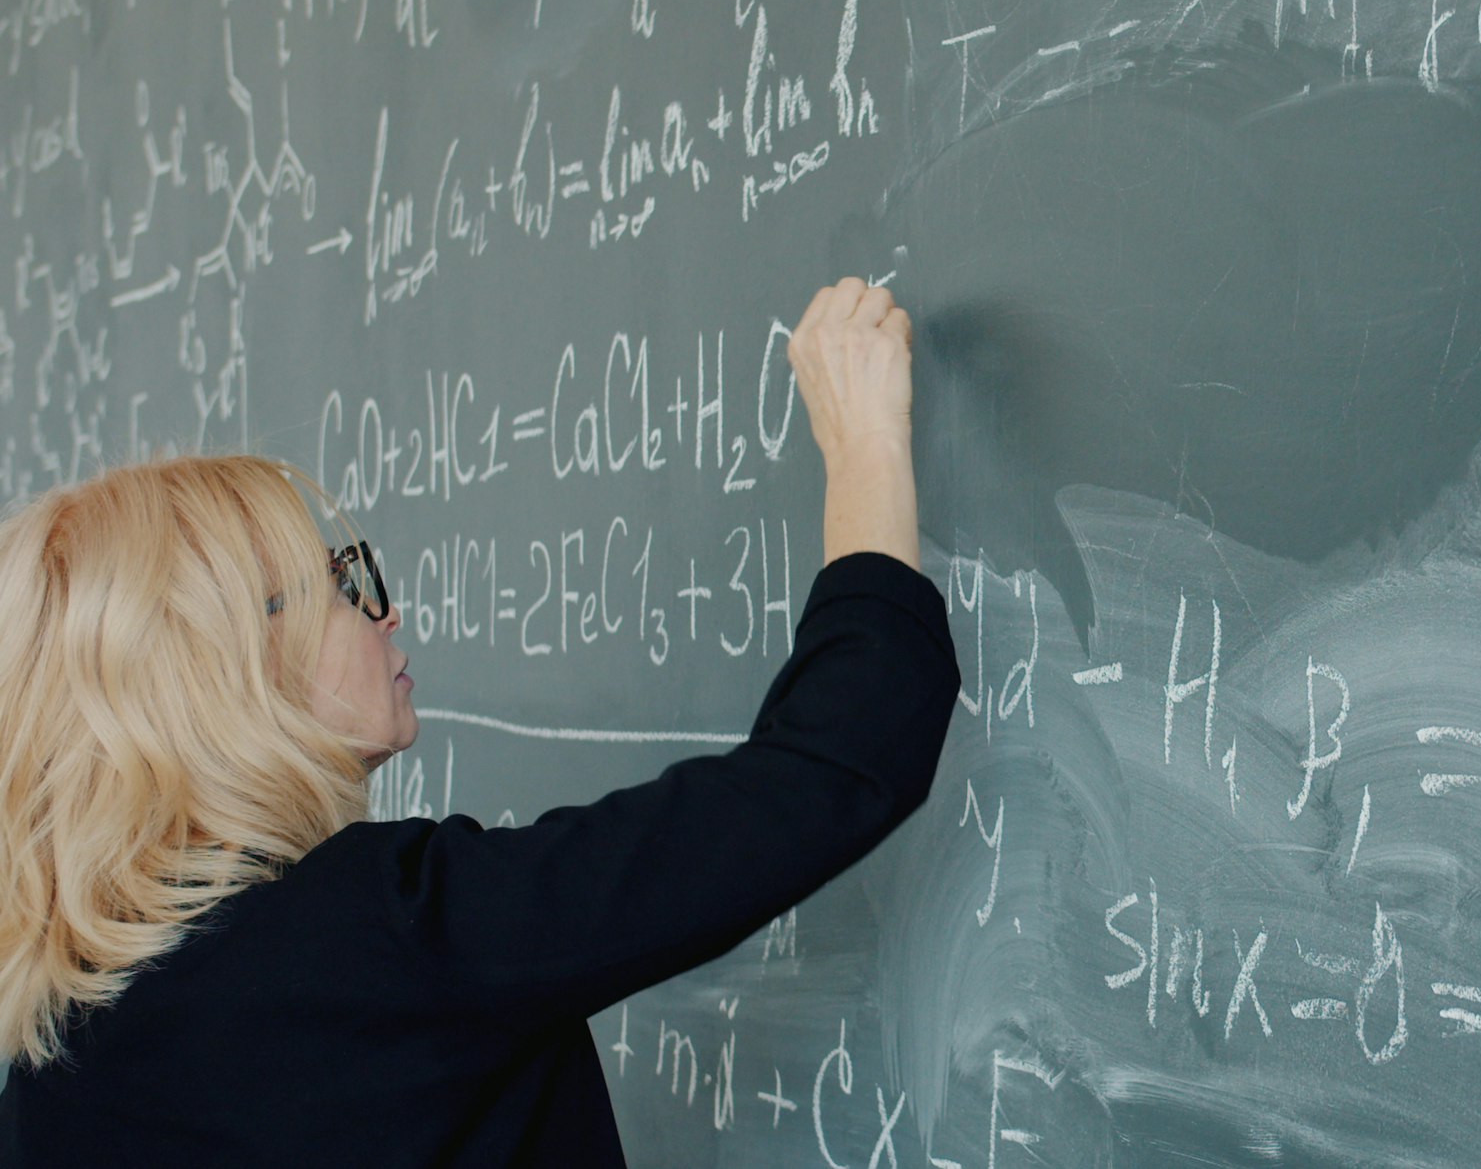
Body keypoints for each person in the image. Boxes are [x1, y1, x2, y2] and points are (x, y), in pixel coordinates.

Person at [0, 278, 956, 1166]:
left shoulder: (53, 1050)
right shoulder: (376, 938)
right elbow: (835, 761)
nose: (385, 613)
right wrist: (866, 441)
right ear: (230, 667)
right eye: (336, 585)